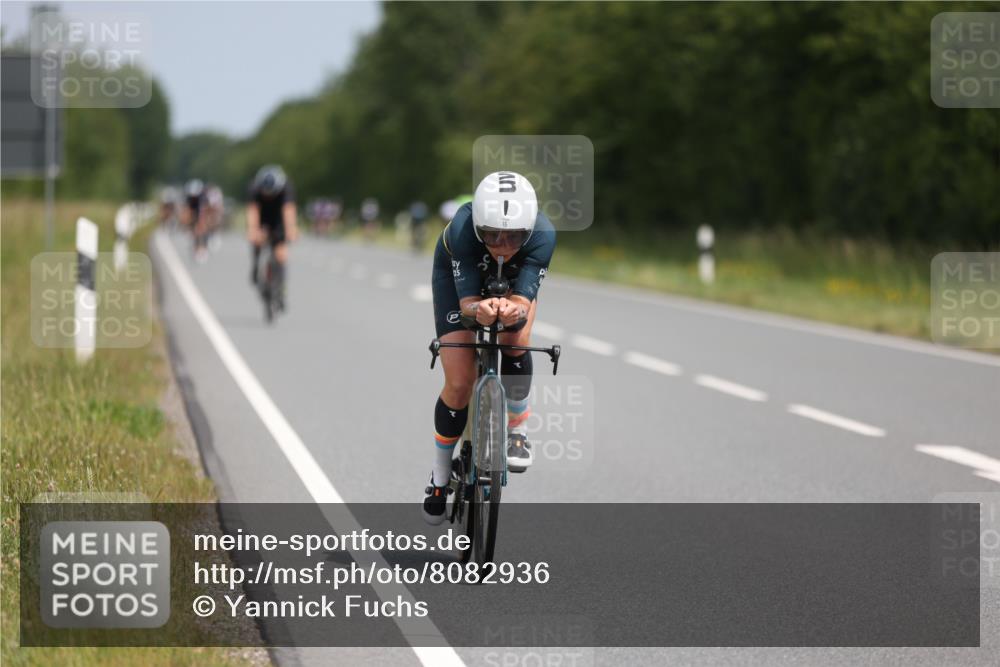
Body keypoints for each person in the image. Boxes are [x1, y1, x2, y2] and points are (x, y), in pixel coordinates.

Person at [423, 171, 556, 525]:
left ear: (528, 231)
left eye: (513, 237)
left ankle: (518, 433)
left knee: (516, 337)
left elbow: (523, 303)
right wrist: (477, 309)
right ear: (479, 226)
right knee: (460, 381)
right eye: (492, 234)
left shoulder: (543, 236)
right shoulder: (464, 230)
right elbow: (467, 305)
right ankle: (438, 478)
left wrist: (514, 309)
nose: (501, 244)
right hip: (456, 277)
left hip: (513, 280)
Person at [246, 165, 298, 310]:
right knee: (257, 240)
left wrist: (291, 230)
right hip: (262, 216)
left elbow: (288, 210)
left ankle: (281, 289)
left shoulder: (286, 188)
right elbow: (252, 211)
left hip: (278, 218)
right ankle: (256, 265)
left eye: (272, 193)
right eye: (266, 193)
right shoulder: (254, 189)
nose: (268, 195)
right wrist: (252, 230)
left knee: (281, 254)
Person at [182, 179, 209, 262]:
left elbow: (203, 212)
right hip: (193, 211)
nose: (194, 197)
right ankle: (196, 248)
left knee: (201, 229)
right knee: (194, 230)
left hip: (202, 211)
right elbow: (187, 211)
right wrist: (187, 223)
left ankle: (203, 247)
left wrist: (201, 224)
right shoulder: (189, 198)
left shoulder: (203, 198)